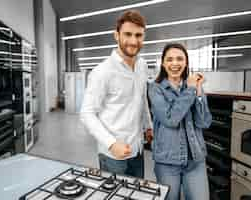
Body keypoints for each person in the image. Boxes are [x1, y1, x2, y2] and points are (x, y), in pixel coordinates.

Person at [80, 10, 152, 178]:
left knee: (137, 194)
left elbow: (142, 98)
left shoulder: (142, 65)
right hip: (113, 155)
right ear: (116, 35)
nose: (133, 41)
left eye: (138, 35)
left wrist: (148, 125)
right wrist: (112, 144)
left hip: (137, 149)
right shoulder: (102, 72)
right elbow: (87, 113)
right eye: (128, 34)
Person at [148, 43, 212, 200]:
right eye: (169, 59)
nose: (175, 63)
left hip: (195, 160)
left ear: (186, 63)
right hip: (167, 162)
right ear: (163, 63)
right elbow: (170, 119)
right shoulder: (156, 89)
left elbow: (204, 122)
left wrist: (198, 92)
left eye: (179, 59)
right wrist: (190, 90)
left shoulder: (191, 86)